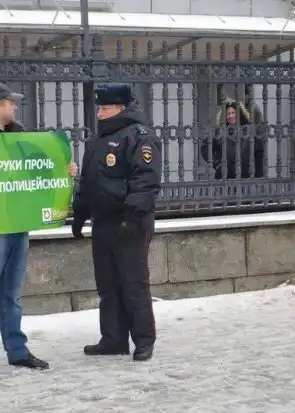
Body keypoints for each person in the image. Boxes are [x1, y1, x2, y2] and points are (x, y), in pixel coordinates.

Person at [0, 82, 78, 381]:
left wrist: (64, 170)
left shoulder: (18, 135)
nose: (15, 107)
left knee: (12, 292)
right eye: (11, 103)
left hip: (17, 220)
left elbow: (36, 171)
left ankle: (17, 351)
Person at [71, 83, 161, 362]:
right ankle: (113, 339)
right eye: (99, 107)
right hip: (103, 221)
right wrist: (80, 213)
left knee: (133, 283)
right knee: (107, 285)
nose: (99, 113)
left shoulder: (139, 137)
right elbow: (88, 181)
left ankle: (143, 340)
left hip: (130, 222)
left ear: (121, 108)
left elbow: (145, 181)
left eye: (105, 108)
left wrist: (132, 218)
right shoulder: (98, 140)